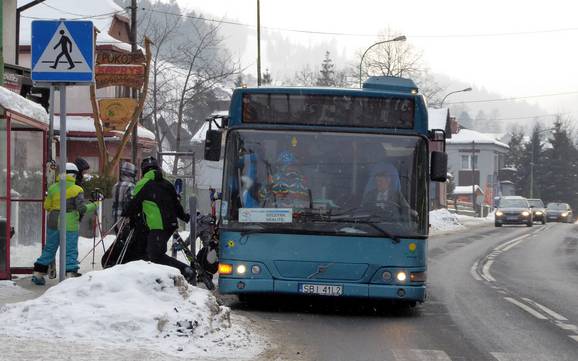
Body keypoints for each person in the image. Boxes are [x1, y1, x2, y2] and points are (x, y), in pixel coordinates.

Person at [123, 157, 195, 283]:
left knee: (155, 255)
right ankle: (160, 279)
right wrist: (185, 217)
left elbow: (134, 203)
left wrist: (126, 213)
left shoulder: (143, 183)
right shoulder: (167, 183)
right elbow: (176, 204)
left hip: (158, 225)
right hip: (170, 224)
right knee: (152, 252)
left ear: (143, 170)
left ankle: (185, 270)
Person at [32, 163, 96, 285]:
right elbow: (81, 208)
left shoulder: (52, 188)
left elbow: (47, 206)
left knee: (50, 248)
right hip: (69, 222)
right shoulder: (77, 189)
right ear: (73, 174)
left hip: (53, 221)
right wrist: (95, 205)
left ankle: (38, 273)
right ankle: (70, 273)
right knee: (70, 249)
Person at [111, 161, 137, 229]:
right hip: (125, 220)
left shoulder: (115, 185)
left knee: (119, 238)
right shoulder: (131, 186)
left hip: (115, 218)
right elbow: (130, 204)